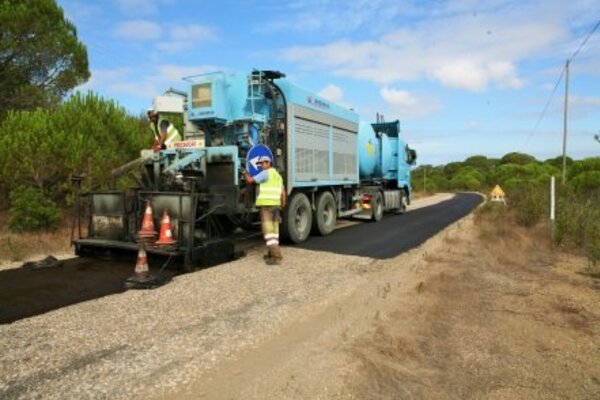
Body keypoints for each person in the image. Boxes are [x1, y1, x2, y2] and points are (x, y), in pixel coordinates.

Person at [243, 156, 286, 265]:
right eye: (261, 163)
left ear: (268, 163)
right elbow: (283, 192)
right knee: (275, 232)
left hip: (266, 207)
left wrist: (244, 172)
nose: (261, 165)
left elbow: (250, 180)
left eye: (263, 163)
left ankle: (276, 257)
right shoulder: (278, 176)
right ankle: (271, 253)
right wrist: (282, 205)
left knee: (268, 232)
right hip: (276, 206)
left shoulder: (265, 173)